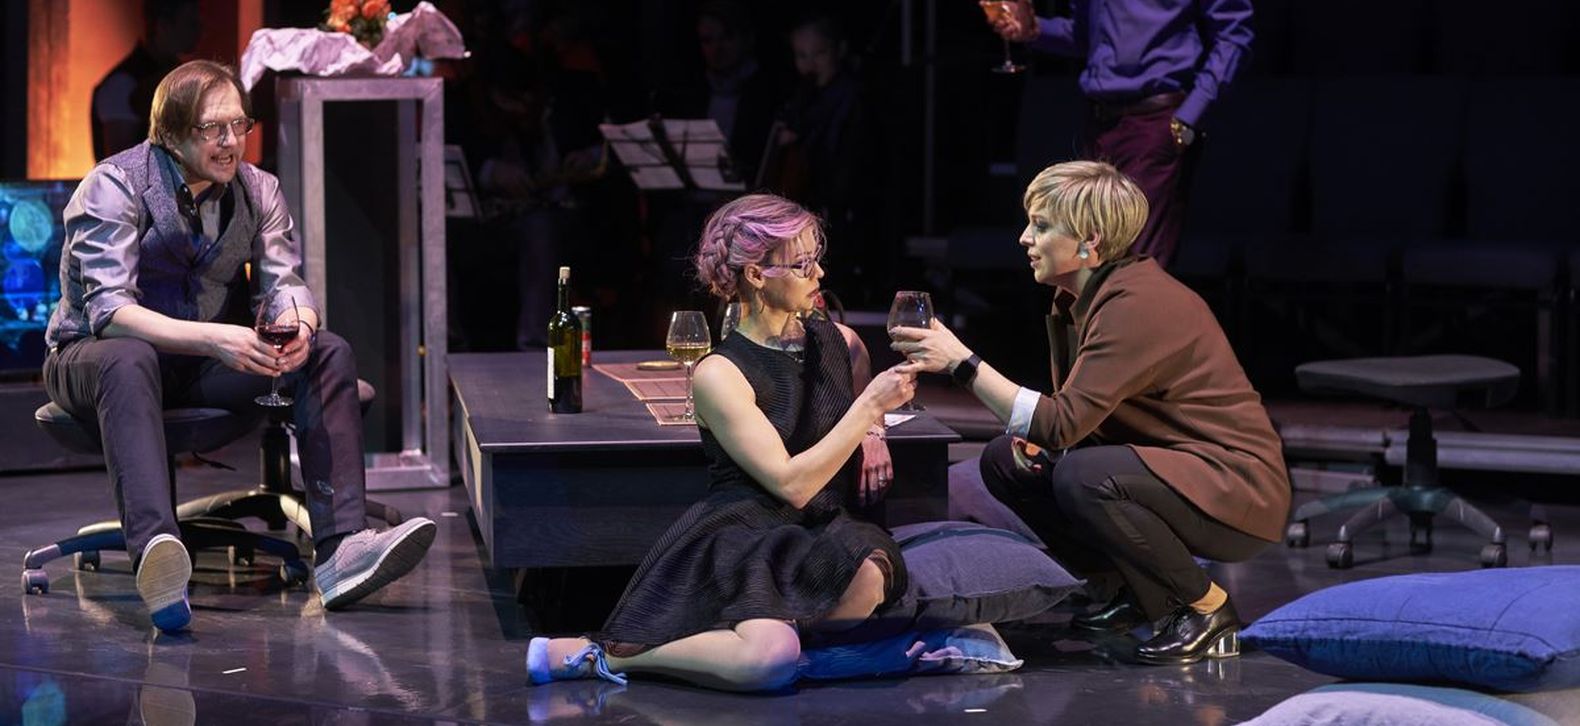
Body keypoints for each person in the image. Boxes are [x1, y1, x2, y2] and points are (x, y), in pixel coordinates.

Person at [44, 60, 436, 633]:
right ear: (170, 132)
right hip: (93, 357)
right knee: (128, 357)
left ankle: (341, 551)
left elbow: (284, 284)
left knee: (328, 351)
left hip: (199, 360)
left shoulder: (259, 190)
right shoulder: (114, 185)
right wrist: (214, 338)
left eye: (239, 125)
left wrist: (299, 326)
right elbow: (111, 313)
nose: (230, 142)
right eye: (212, 129)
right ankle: (157, 556)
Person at [891, 161, 1289, 665]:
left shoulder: (1137, 304)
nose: (1024, 238)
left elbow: (1061, 423)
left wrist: (962, 363)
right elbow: (1076, 421)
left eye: (1040, 226)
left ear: (1089, 241)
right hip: (1172, 471)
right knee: (1007, 461)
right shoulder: (1080, 298)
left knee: (1083, 476)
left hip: (1235, 491)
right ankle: (1134, 590)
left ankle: (1204, 608)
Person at [526, 193, 915, 691]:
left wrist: (875, 430)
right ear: (756, 275)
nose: (819, 274)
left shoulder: (845, 344)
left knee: (870, 578)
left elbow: (853, 411)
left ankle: (772, 642)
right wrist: (870, 409)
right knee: (769, 662)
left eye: (816, 259)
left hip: (822, 525)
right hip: (748, 531)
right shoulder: (720, 373)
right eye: (802, 265)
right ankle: (610, 655)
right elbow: (790, 484)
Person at [988, 0, 1253, 269]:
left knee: (1137, 260)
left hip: (1155, 121)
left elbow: (1234, 34)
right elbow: (1088, 37)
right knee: (1086, 256)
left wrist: (1190, 113)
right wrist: (1034, 29)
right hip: (1100, 122)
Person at [91, 0, 202, 162]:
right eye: (190, 22)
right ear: (163, 25)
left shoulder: (180, 76)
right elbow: (120, 164)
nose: (199, 29)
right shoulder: (122, 84)